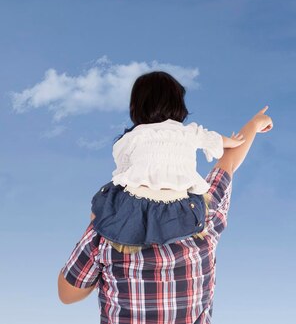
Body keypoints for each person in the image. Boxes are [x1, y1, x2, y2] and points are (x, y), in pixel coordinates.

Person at [57, 71, 273, 324]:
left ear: (135, 109)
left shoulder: (107, 229)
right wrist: (256, 124)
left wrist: (104, 242)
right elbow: (228, 161)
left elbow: (67, 294)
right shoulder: (207, 214)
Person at [90, 71, 247, 253]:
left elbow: (122, 174)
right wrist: (233, 141)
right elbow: (216, 140)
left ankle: (106, 238)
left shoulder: (131, 138)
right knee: (197, 201)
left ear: (136, 106)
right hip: (180, 205)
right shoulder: (189, 132)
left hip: (137, 204)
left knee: (104, 203)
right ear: (178, 105)